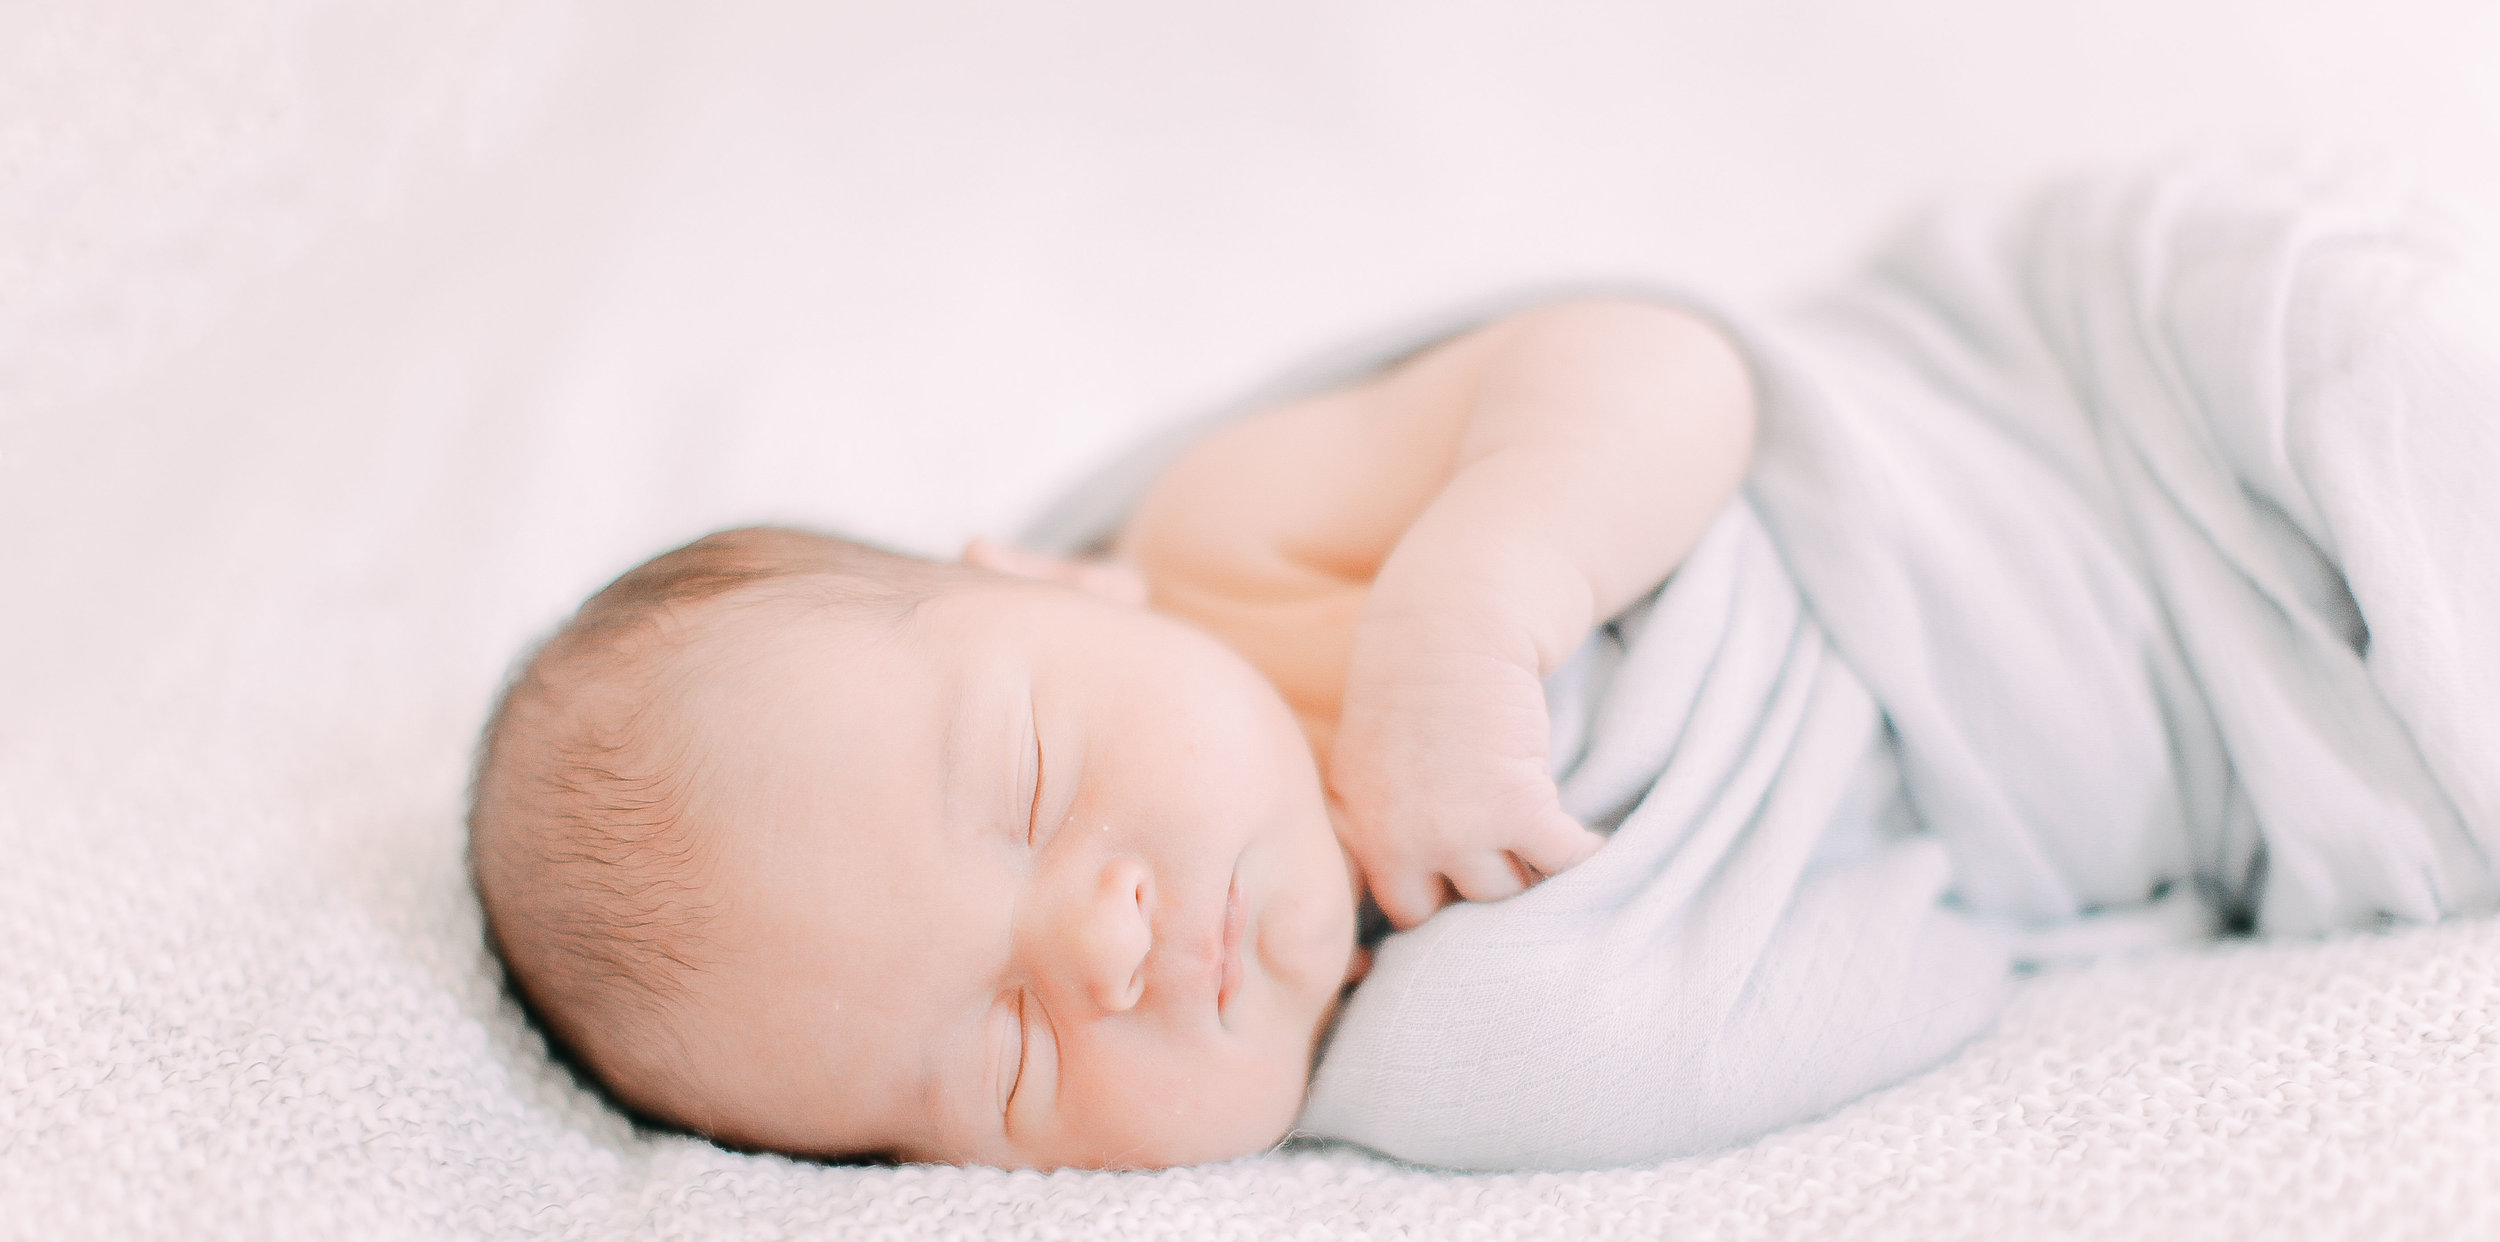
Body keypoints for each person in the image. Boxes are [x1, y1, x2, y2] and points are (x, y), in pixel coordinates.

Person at [468, 301, 1757, 1167]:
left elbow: (1665, 368)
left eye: (1033, 782)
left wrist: (1474, 608)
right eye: (1013, 1058)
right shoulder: (1412, 1081)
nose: (1106, 943)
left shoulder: (1237, 548)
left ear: (1061, 584)